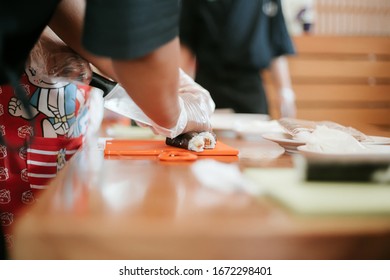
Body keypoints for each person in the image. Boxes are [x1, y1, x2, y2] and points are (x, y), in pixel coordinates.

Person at [0, 0, 214, 250]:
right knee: (28, 248)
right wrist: (175, 111)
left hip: (70, 120)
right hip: (17, 123)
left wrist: (40, 31)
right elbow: (134, 46)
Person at [179, 0, 297, 117]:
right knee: (205, 134)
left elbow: (277, 42)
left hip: (250, 88)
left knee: (256, 133)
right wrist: (182, 91)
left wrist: (285, 92)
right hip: (208, 85)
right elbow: (186, 45)